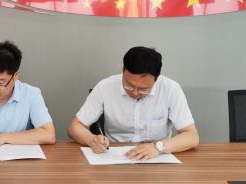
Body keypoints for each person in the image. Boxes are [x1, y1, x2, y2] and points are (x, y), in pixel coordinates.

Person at [68, 46, 199, 160]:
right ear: (123, 70)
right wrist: (92, 140)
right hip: (114, 157)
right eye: (129, 85)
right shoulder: (105, 87)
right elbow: (74, 127)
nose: (135, 93)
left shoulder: (171, 89)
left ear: (156, 79)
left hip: (157, 157)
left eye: (143, 89)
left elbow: (192, 136)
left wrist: (158, 147)